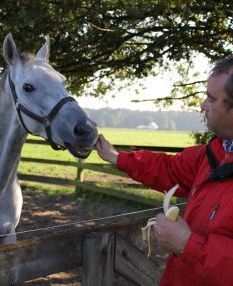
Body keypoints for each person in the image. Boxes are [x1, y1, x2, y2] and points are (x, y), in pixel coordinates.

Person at [96, 57, 233, 286]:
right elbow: (167, 168)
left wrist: (187, 245)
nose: (202, 105)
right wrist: (116, 157)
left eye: (211, 99)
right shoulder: (215, 154)